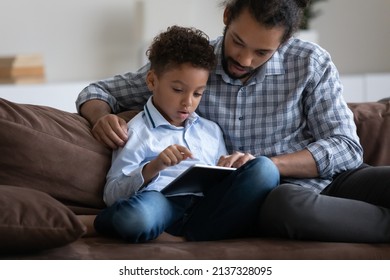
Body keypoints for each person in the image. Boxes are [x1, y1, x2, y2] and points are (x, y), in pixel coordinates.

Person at [76, 0, 390, 243]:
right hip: (281, 195)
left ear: (284, 43)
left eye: (262, 52)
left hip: (336, 180)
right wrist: (100, 115)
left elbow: (347, 148)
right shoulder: (195, 65)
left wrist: (270, 162)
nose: (245, 59)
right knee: (287, 204)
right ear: (227, 17)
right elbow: (98, 91)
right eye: (238, 42)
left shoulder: (310, 62)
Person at [93, 25, 280, 243]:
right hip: (162, 203)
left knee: (265, 168)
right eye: (178, 90)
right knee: (136, 219)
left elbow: (221, 179)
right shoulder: (136, 131)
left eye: (198, 93)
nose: (188, 102)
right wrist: (155, 166)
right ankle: (193, 235)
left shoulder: (210, 130)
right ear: (152, 81)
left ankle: (182, 237)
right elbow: (112, 193)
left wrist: (231, 166)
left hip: (207, 206)